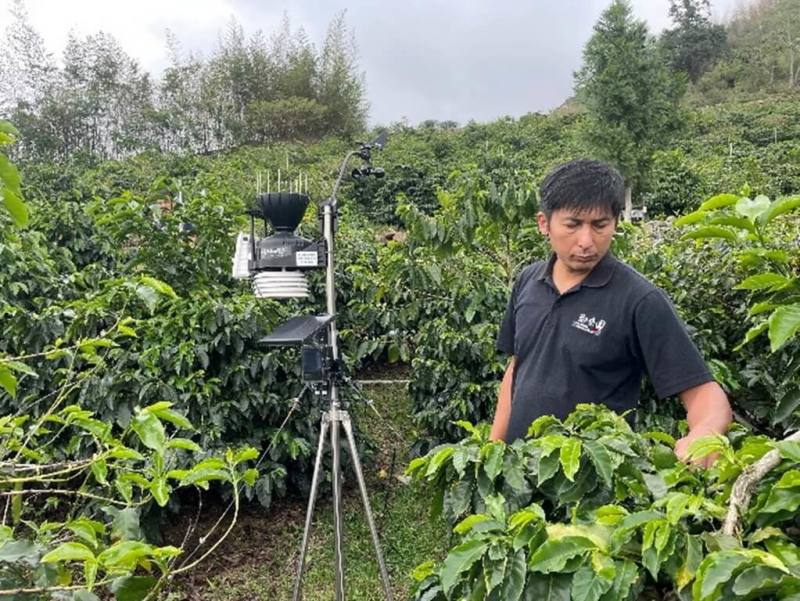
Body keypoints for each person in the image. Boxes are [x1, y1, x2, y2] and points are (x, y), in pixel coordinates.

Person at [490, 159, 731, 467]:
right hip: (519, 473)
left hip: (593, 488)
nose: (586, 241)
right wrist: (493, 453)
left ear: (616, 223)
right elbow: (518, 367)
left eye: (600, 225)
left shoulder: (639, 299)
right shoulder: (528, 280)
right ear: (544, 223)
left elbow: (704, 393)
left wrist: (705, 433)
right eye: (573, 224)